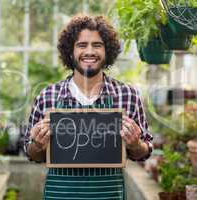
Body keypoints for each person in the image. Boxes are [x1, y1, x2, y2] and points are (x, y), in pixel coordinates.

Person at [24, 14, 153, 200]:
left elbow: (144, 152)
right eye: (82, 45)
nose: (90, 51)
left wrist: (135, 144)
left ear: (107, 50)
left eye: (97, 45)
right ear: (70, 51)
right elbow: (32, 154)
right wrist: (37, 144)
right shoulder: (48, 96)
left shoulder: (128, 96)